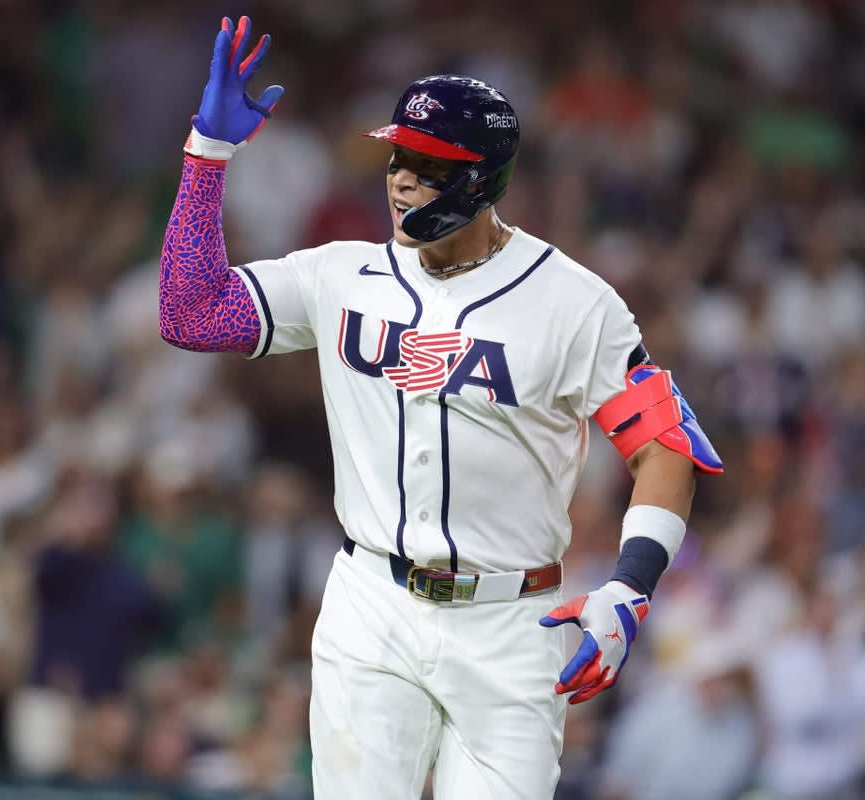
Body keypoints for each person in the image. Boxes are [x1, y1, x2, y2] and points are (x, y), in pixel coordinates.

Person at [158, 16, 723, 797]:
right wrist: (207, 154)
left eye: (428, 165)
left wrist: (630, 585)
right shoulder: (342, 274)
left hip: (511, 619)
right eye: (398, 156)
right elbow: (190, 314)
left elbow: (664, 447)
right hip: (371, 605)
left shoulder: (574, 303)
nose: (400, 178)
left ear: (484, 176)